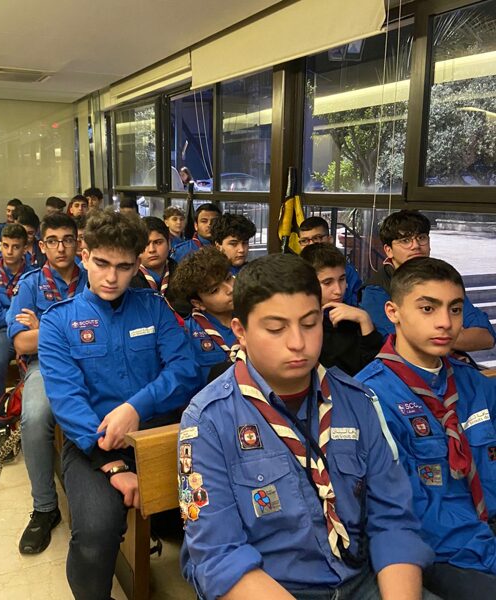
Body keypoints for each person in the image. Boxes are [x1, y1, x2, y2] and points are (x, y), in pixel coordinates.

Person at [179, 253, 436, 600]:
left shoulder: (358, 401)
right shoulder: (208, 419)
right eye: (276, 329)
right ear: (241, 332)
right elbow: (218, 556)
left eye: (310, 323)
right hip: (272, 587)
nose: (298, 343)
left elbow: (393, 520)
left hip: (363, 580)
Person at [38, 208, 200, 600]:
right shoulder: (58, 322)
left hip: (160, 433)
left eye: (124, 267)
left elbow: (186, 370)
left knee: (215, 508)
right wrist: (112, 466)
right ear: (84, 256)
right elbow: (68, 402)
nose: (112, 277)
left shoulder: (154, 307)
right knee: (96, 530)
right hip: (93, 443)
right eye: (102, 264)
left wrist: (136, 407)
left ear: (136, 264)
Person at [356, 257, 496, 599]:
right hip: (443, 552)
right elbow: (404, 514)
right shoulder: (369, 398)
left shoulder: (474, 383)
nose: (446, 322)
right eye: (428, 309)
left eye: (455, 309)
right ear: (393, 312)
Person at [7, 212, 87, 555]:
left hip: (92, 359)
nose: (61, 248)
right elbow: (22, 343)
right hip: (46, 364)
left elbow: (103, 328)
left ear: (78, 243)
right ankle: (44, 508)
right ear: (42, 246)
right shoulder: (29, 284)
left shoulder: (93, 277)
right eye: (52, 241)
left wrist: (45, 329)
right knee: (35, 416)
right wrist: (74, 330)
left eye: (68, 240)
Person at [360, 210, 495, 352]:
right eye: (405, 241)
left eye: (421, 238)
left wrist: (430, 339)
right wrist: (457, 337)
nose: (416, 246)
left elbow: (486, 337)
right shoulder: (376, 290)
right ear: (389, 250)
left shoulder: (441, 278)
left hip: (453, 363)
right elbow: (398, 345)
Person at [0, 223, 31, 462]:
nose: (10, 251)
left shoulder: (35, 275)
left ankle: (24, 417)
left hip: (30, 329)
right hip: (6, 331)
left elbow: (38, 308)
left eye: (16, 246)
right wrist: (16, 320)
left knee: (33, 366)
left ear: (25, 248)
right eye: (5, 245)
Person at [301, 243, 383, 376]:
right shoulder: (300, 326)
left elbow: (378, 372)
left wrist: (365, 320)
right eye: (327, 283)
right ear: (307, 284)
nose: (338, 291)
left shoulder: (352, 318)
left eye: (342, 279)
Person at [171, 246, 237, 380]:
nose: (230, 289)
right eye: (215, 290)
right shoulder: (187, 333)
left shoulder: (253, 320)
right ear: (198, 303)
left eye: (228, 278)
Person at [298, 216, 362, 307]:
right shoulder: (294, 271)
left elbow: (358, 301)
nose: (311, 244)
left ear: (330, 239)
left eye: (317, 238)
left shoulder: (345, 269)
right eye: (304, 241)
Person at [130, 216, 177, 295]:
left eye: (158, 242)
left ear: (169, 243)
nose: (152, 250)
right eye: (145, 244)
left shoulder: (184, 277)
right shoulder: (126, 281)